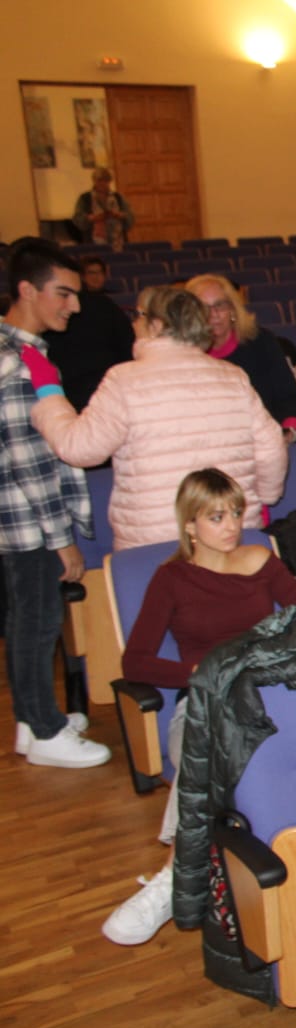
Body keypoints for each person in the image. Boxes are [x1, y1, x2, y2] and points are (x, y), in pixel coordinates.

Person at [101, 468, 296, 946]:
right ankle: (174, 875)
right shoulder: (172, 579)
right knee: (209, 742)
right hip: (203, 703)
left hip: (271, 700)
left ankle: (179, 874)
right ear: (190, 525)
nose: (231, 525)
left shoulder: (261, 559)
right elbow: (135, 661)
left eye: (236, 513)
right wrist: (199, 675)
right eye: (216, 516)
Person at [30, 286, 286, 550]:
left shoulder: (124, 380)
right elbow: (270, 447)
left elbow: (79, 448)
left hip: (155, 544)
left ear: (156, 324)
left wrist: (50, 394)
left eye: (139, 315)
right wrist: (263, 496)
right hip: (228, 534)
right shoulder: (234, 377)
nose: (134, 323)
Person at [0, 239, 107, 770]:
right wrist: (61, 537)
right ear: (27, 290)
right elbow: (29, 461)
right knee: (37, 622)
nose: (75, 305)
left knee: (27, 620)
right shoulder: (17, 361)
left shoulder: (19, 351)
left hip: (18, 520)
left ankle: (31, 720)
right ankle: (43, 730)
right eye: (63, 293)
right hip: (27, 522)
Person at [184, 274, 296, 441]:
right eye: (203, 308)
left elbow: (291, 398)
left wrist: (288, 433)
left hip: (269, 441)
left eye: (220, 305)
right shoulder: (183, 354)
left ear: (233, 309)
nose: (214, 315)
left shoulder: (260, 341)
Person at [41, 255, 135, 412]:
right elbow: (127, 349)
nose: (74, 307)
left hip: (70, 401)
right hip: (108, 396)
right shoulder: (104, 306)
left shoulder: (102, 306)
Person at [72, 167, 134, 250]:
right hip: (93, 242)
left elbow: (130, 216)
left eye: (106, 181)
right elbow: (77, 218)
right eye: (99, 181)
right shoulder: (85, 198)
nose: (102, 184)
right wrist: (92, 218)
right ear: (94, 181)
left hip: (118, 241)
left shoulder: (117, 197)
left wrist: (119, 215)